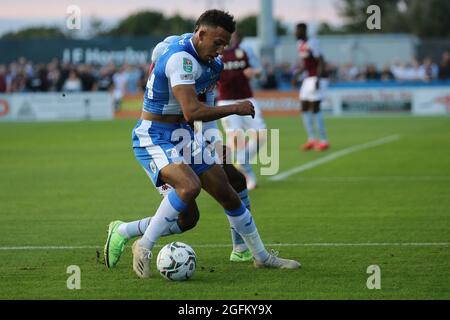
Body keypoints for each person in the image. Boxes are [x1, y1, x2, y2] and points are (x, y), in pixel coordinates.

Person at [103, 10, 300, 279]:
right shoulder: (181, 59)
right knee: (189, 187)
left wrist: (214, 143)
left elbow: (203, 113)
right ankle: (144, 246)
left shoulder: (212, 64)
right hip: (154, 136)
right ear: (201, 33)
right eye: (217, 42)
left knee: (219, 199)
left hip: (184, 135)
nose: (220, 50)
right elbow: (192, 112)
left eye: (225, 45)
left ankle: (261, 257)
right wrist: (235, 108)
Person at [217, 31, 267, 191]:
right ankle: (248, 176)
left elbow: (259, 70)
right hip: (226, 101)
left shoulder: (245, 51)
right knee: (236, 139)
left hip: (247, 99)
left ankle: (242, 160)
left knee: (261, 134)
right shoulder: (217, 53)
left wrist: (255, 72)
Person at [292, 23, 330, 152]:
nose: (295, 33)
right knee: (304, 107)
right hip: (308, 78)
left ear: (303, 31)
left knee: (315, 108)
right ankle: (312, 139)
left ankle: (324, 141)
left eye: (297, 31)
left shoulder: (313, 42)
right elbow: (307, 63)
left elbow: (320, 60)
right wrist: (297, 73)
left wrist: (318, 79)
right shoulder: (300, 44)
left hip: (317, 78)